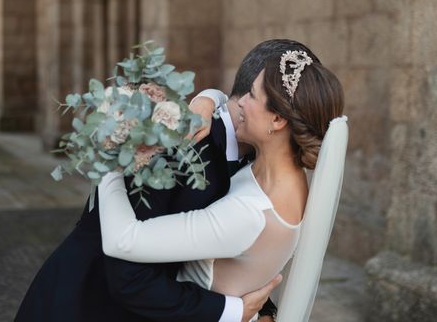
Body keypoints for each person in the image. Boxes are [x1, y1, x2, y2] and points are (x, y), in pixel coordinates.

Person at [15, 40, 318, 322]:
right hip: (84, 303)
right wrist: (231, 311)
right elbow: (127, 277)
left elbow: (239, 246)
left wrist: (259, 307)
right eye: (251, 93)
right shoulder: (166, 146)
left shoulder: (262, 157)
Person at [97, 43, 346, 321]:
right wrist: (209, 98)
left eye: (251, 94)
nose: (239, 101)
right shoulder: (284, 177)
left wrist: (112, 157)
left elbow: (123, 240)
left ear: (277, 119)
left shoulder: (250, 214)